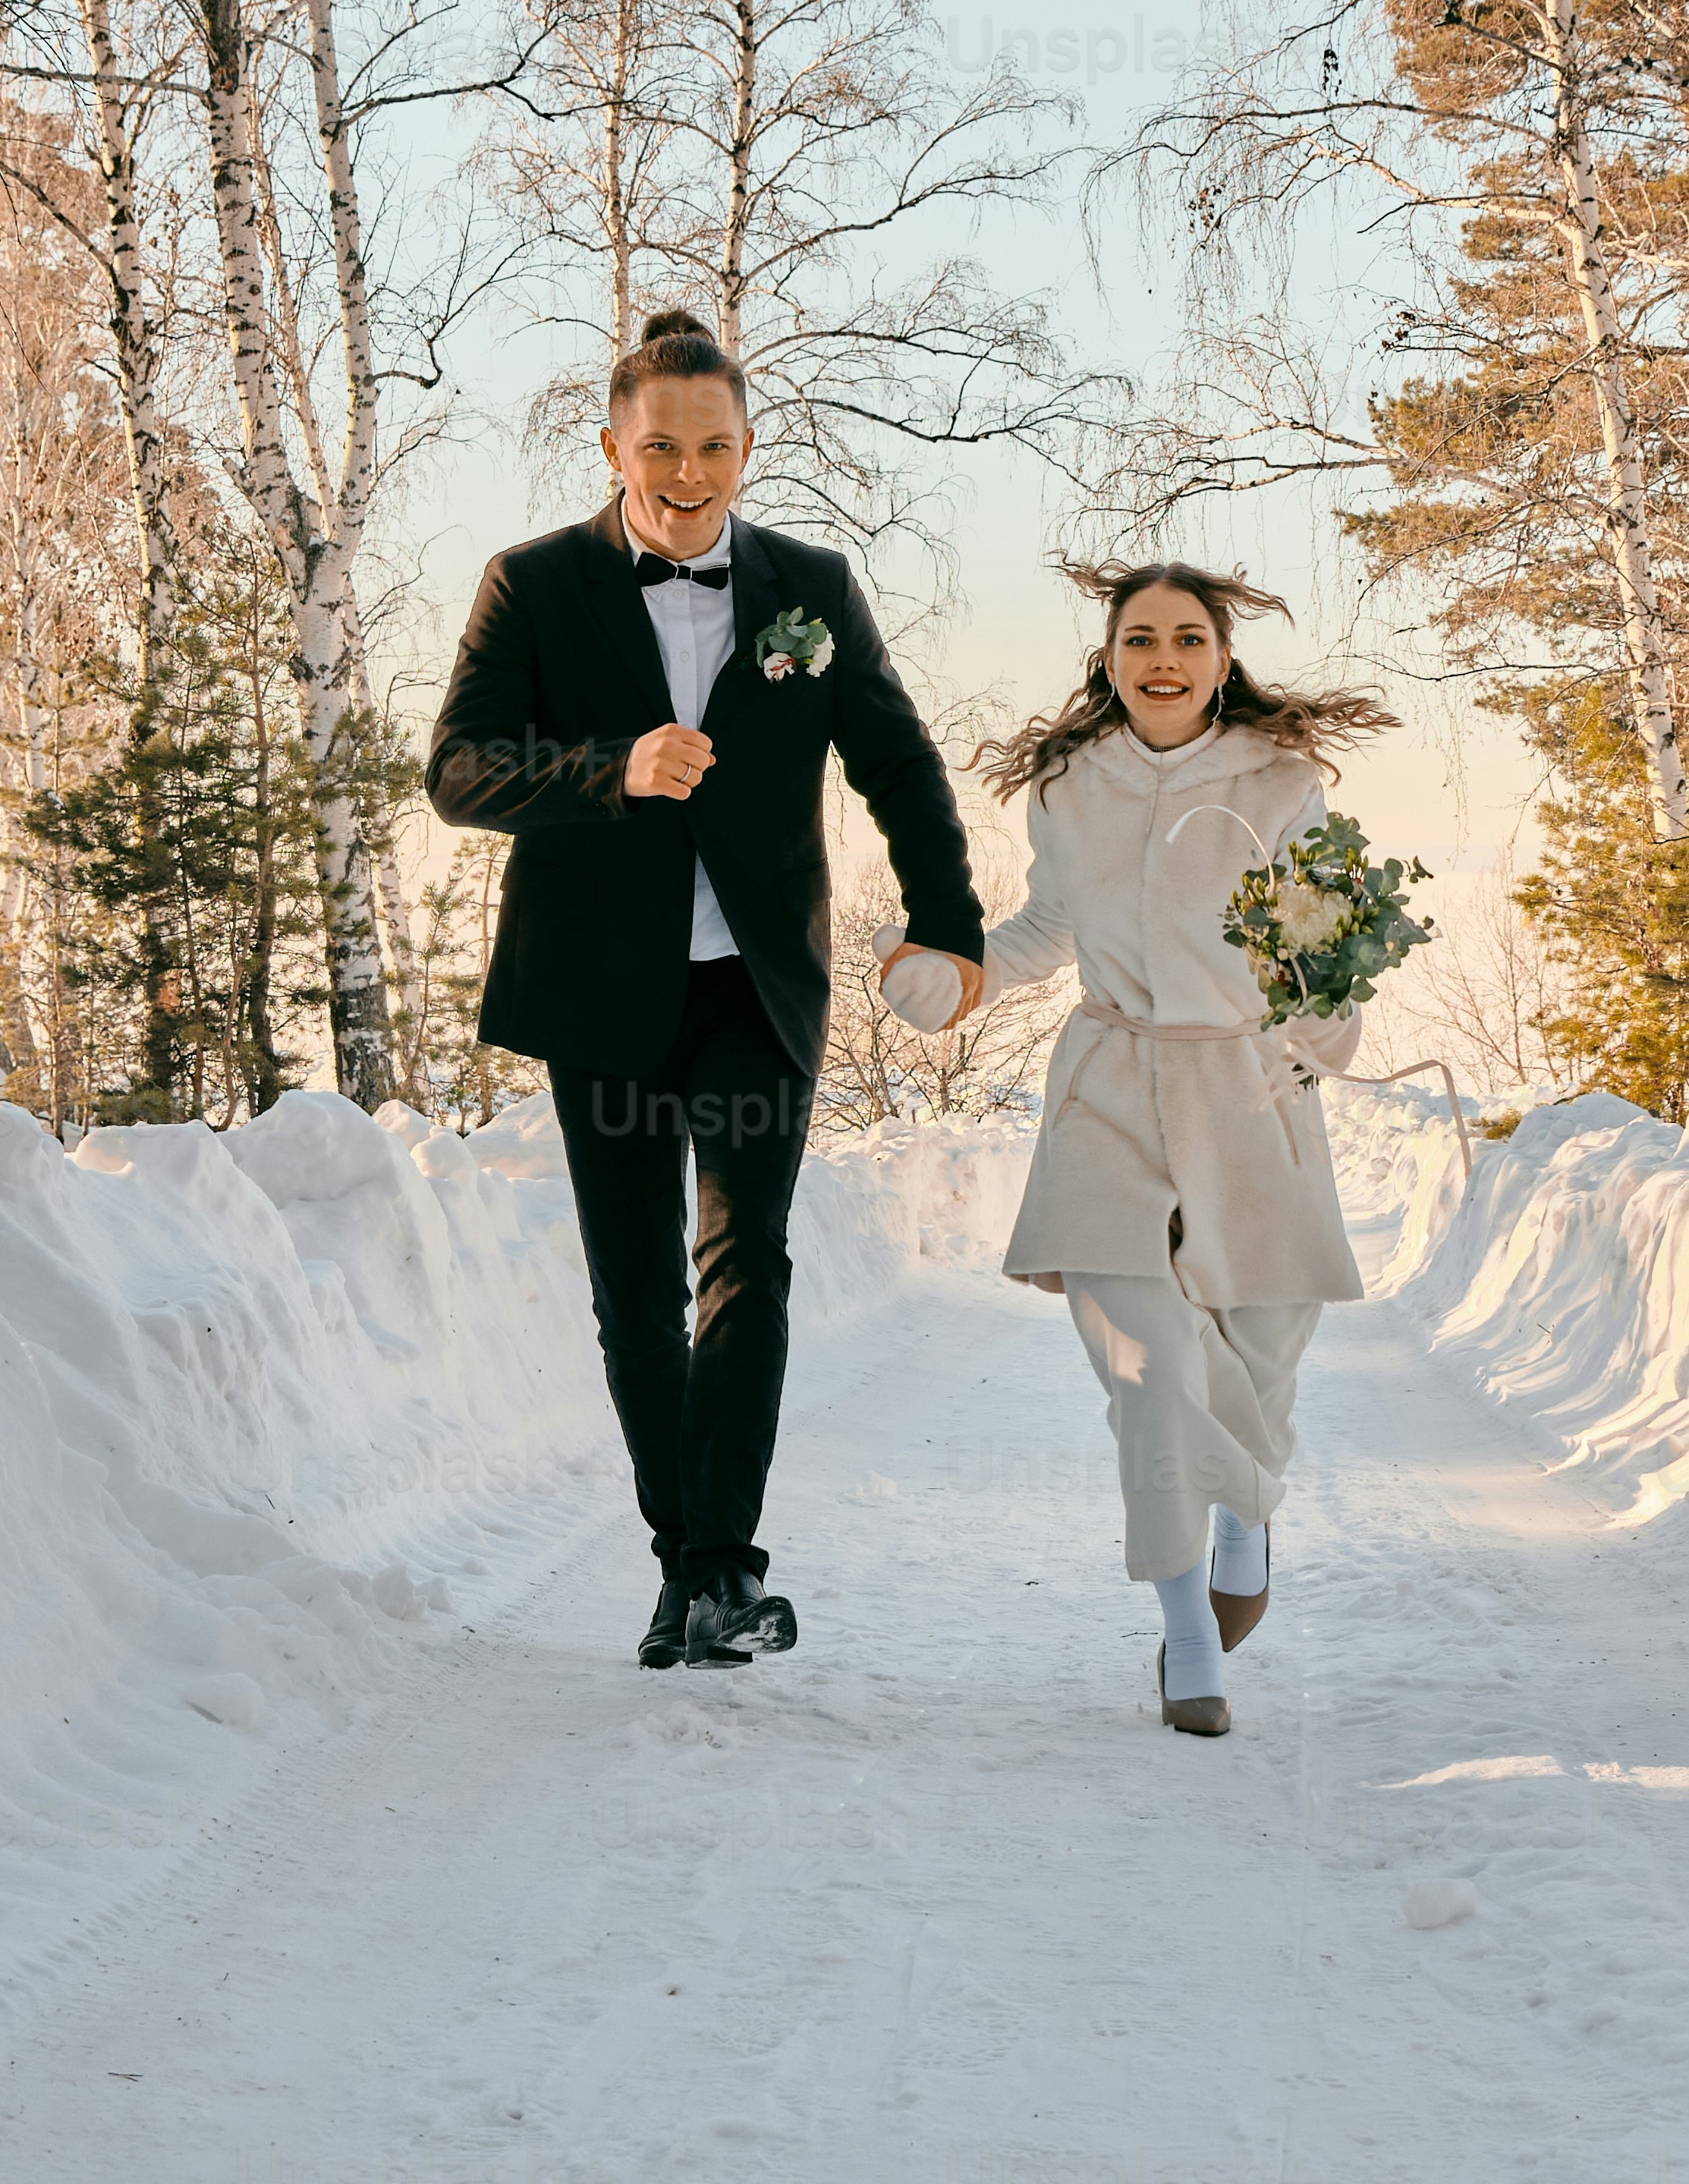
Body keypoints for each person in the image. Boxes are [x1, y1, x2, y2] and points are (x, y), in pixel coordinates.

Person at [424, 310, 985, 1668]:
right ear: (612, 446)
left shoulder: (812, 587)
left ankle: (722, 1566)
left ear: (746, 447)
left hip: (754, 986)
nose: (690, 472)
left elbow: (897, 763)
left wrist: (949, 922)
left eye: (716, 446)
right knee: (636, 1296)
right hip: (600, 994)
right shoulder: (531, 584)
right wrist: (609, 769)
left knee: (745, 1265)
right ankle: (686, 1561)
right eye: (662, 446)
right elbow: (456, 771)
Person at [894, 565, 1393, 1736]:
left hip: (1249, 1090)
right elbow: (1046, 928)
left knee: (1257, 1363)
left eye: (1186, 639)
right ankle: (1188, 1635)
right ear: (1109, 659)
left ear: (1222, 659)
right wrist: (955, 977)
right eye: (1140, 639)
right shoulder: (1071, 786)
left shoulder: (1281, 781)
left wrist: (1331, 1003)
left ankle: (1245, 1516)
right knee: (1147, 1372)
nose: (1163, 658)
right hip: (1110, 1091)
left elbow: (1321, 933)